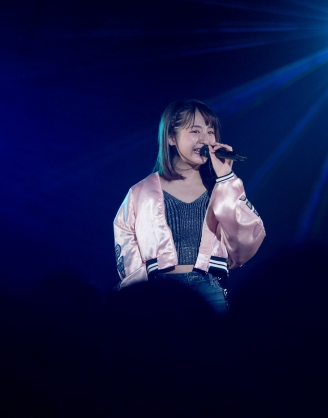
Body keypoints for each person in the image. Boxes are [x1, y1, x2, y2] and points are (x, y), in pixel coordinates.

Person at [113, 100, 266, 312]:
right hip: (160, 292)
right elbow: (127, 244)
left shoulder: (221, 189)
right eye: (195, 131)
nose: (205, 139)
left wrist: (226, 178)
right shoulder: (141, 192)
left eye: (210, 131)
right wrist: (138, 294)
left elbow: (246, 241)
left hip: (209, 289)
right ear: (171, 137)